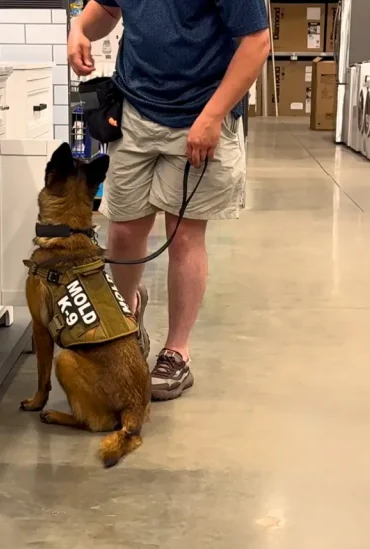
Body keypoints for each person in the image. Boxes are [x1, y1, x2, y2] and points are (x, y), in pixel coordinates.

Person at [67, 0, 270, 401]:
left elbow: (256, 42)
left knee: (184, 237)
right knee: (123, 231)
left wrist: (213, 118)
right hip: (135, 108)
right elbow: (107, 9)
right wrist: (79, 30)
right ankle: (121, 334)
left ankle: (177, 352)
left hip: (201, 112)